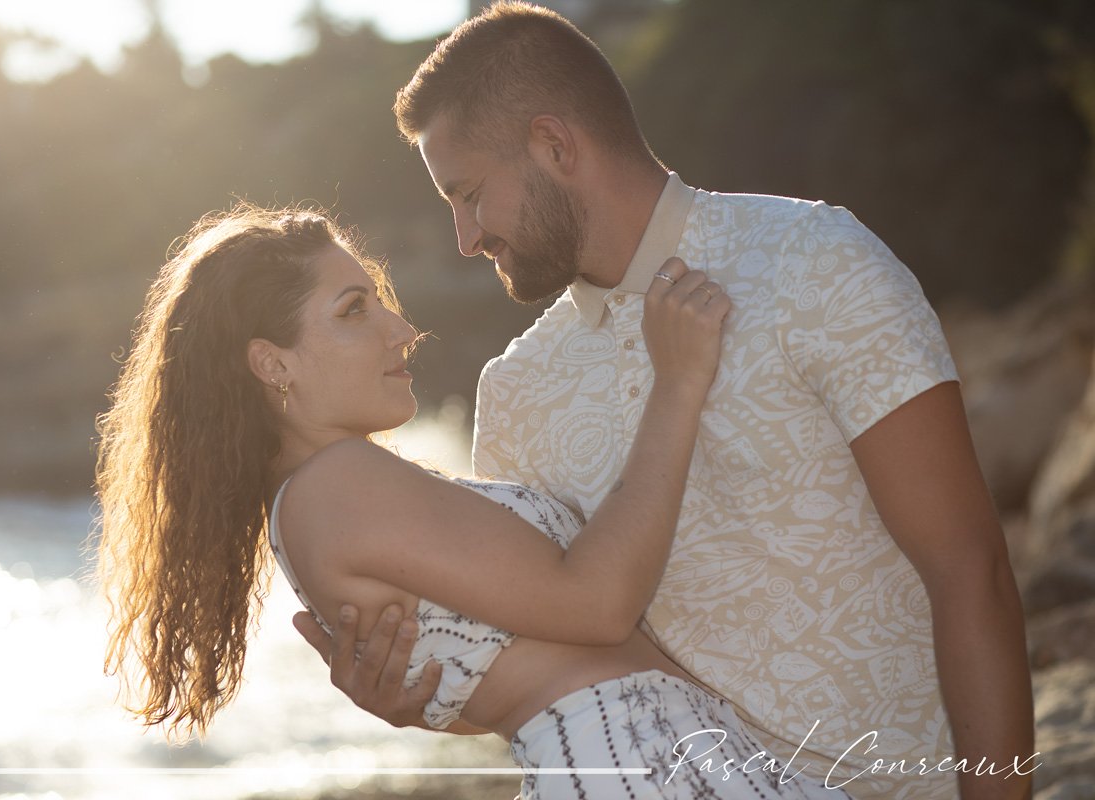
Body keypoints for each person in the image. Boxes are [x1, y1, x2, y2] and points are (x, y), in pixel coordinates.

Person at [293, 4, 1036, 799]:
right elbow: (571, 665)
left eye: (470, 194)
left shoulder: (814, 263)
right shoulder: (516, 390)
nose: (465, 238)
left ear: (554, 145)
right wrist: (424, 697)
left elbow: (969, 568)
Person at [95, 203, 853, 798]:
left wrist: (421, 706)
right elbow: (596, 607)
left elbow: (507, 675)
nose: (402, 329)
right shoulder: (337, 486)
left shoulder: (315, 505)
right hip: (640, 765)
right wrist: (678, 383)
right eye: (355, 310)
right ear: (273, 363)